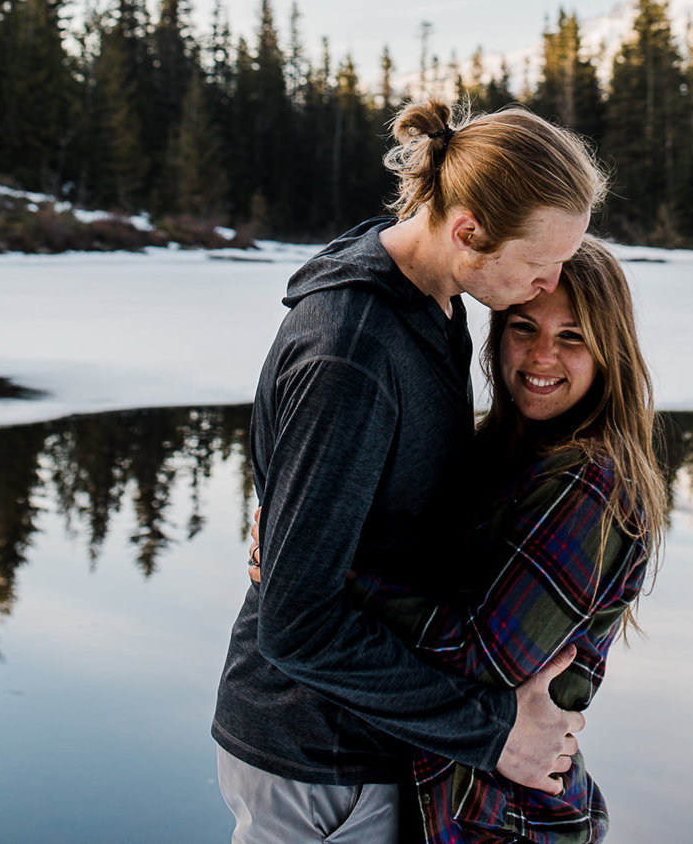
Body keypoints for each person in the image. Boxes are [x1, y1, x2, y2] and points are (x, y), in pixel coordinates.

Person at [211, 98, 605, 844]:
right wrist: (495, 734)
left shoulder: (431, 298)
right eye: (539, 260)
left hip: (366, 746)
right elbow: (297, 624)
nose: (552, 279)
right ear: (467, 231)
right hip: (318, 760)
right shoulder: (352, 355)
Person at [339, 236, 663, 842]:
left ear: (609, 350)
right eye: (523, 328)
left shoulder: (590, 482)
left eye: (572, 336)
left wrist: (336, 568)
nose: (542, 357)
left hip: (508, 821)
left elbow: (489, 658)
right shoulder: (495, 450)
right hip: (460, 800)